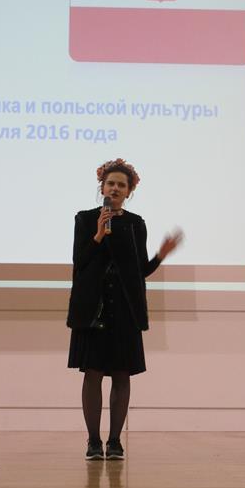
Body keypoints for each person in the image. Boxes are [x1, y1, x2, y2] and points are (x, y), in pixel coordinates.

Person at [67, 158, 182, 460]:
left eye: (121, 185)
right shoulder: (85, 219)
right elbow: (80, 262)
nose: (115, 188)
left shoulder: (135, 224)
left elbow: (139, 271)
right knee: (92, 373)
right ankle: (94, 441)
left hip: (124, 307)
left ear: (129, 191)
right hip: (93, 308)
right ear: (102, 187)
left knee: (121, 374)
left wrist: (160, 256)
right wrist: (98, 235)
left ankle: (115, 441)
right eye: (110, 183)